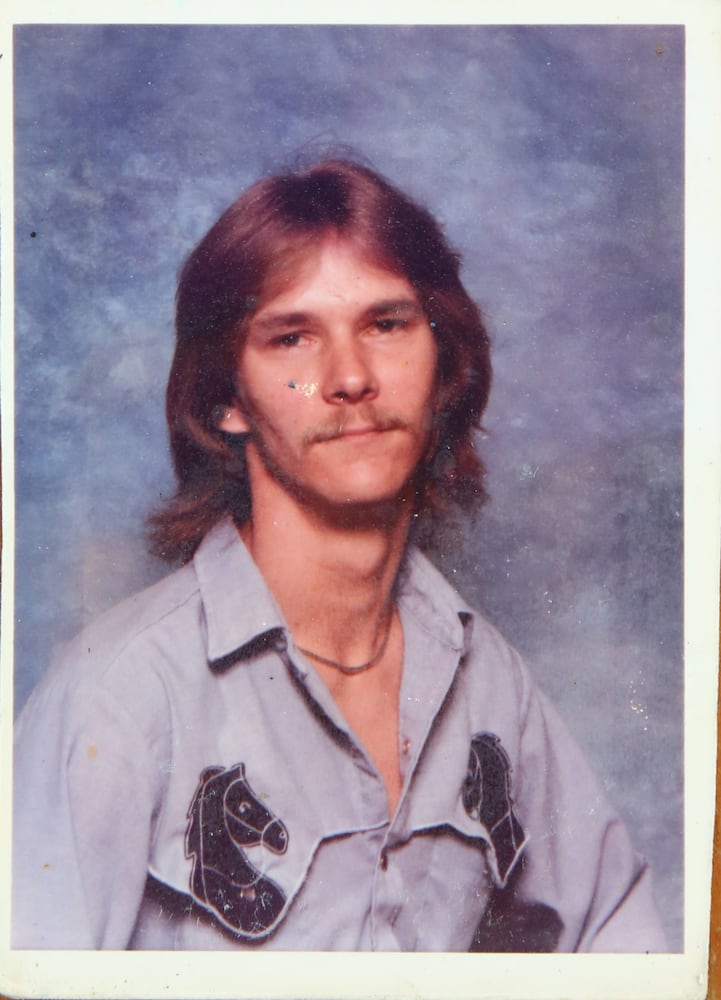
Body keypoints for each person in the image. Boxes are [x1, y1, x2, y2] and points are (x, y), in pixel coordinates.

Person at [12, 159, 667, 952]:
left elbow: (625, 944)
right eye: (291, 337)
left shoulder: (488, 681)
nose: (350, 377)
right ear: (225, 400)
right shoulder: (118, 700)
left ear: (443, 365)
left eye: (386, 325)